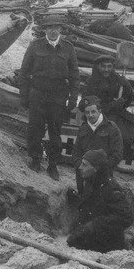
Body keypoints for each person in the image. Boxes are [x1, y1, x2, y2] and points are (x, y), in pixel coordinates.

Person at [19, 20, 79, 180]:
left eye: (56, 27)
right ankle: (36, 160)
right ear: (45, 29)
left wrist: (73, 98)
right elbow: (24, 72)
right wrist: (24, 96)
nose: (53, 31)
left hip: (58, 96)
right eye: (50, 27)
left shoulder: (68, 48)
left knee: (55, 131)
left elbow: (74, 75)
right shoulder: (35, 46)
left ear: (60, 29)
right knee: (35, 128)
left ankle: (53, 165)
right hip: (38, 93)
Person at [67, 149, 134, 253]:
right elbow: (95, 206)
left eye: (85, 165)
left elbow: (127, 218)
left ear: (96, 168)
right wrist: (76, 199)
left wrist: (93, 225)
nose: (80, 167)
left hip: (106, 249)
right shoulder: (91, 183)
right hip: (88, 241)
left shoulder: (111, 189)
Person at [72, 96, 123, 195]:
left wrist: (100, 170)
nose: (90, 115)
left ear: (99, 111)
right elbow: (76, 152)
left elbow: (117, 154)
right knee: (84, 200)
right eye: (87, 113)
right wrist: (81, 167)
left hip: (103, 176)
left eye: (93, 112)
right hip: (83, 175)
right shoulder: (83, 128)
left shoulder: (112, 128)